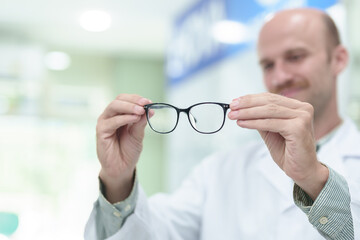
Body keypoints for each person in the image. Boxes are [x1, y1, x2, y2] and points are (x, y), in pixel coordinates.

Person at [85, 7, 360, 240]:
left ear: (338, 60)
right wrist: (118, 180)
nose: (279, 77)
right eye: (267, 65)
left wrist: (314, 180)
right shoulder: (219, 172)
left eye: (295, 57)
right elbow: (153, 232)